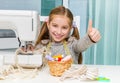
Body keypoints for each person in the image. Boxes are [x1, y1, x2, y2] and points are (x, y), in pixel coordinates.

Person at [22, 6, 101, 64]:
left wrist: (90, 38)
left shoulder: (72, 44)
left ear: (70, 28)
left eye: (64, 27)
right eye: (55, 26)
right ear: (48, 24)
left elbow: (81, 45)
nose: (59, 32)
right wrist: (28, 50)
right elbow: (32, 56)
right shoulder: (42, 45)